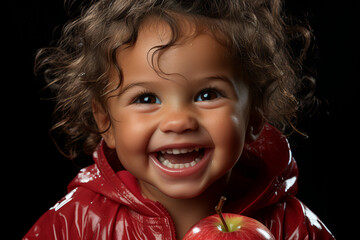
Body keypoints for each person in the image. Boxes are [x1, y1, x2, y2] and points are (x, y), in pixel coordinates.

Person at [24, 0, 335, 239]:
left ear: (254, 117)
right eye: (146, 99)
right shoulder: (76, 222)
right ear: (106, 122)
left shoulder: (290, 226)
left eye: (208, 95)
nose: (178, 121)